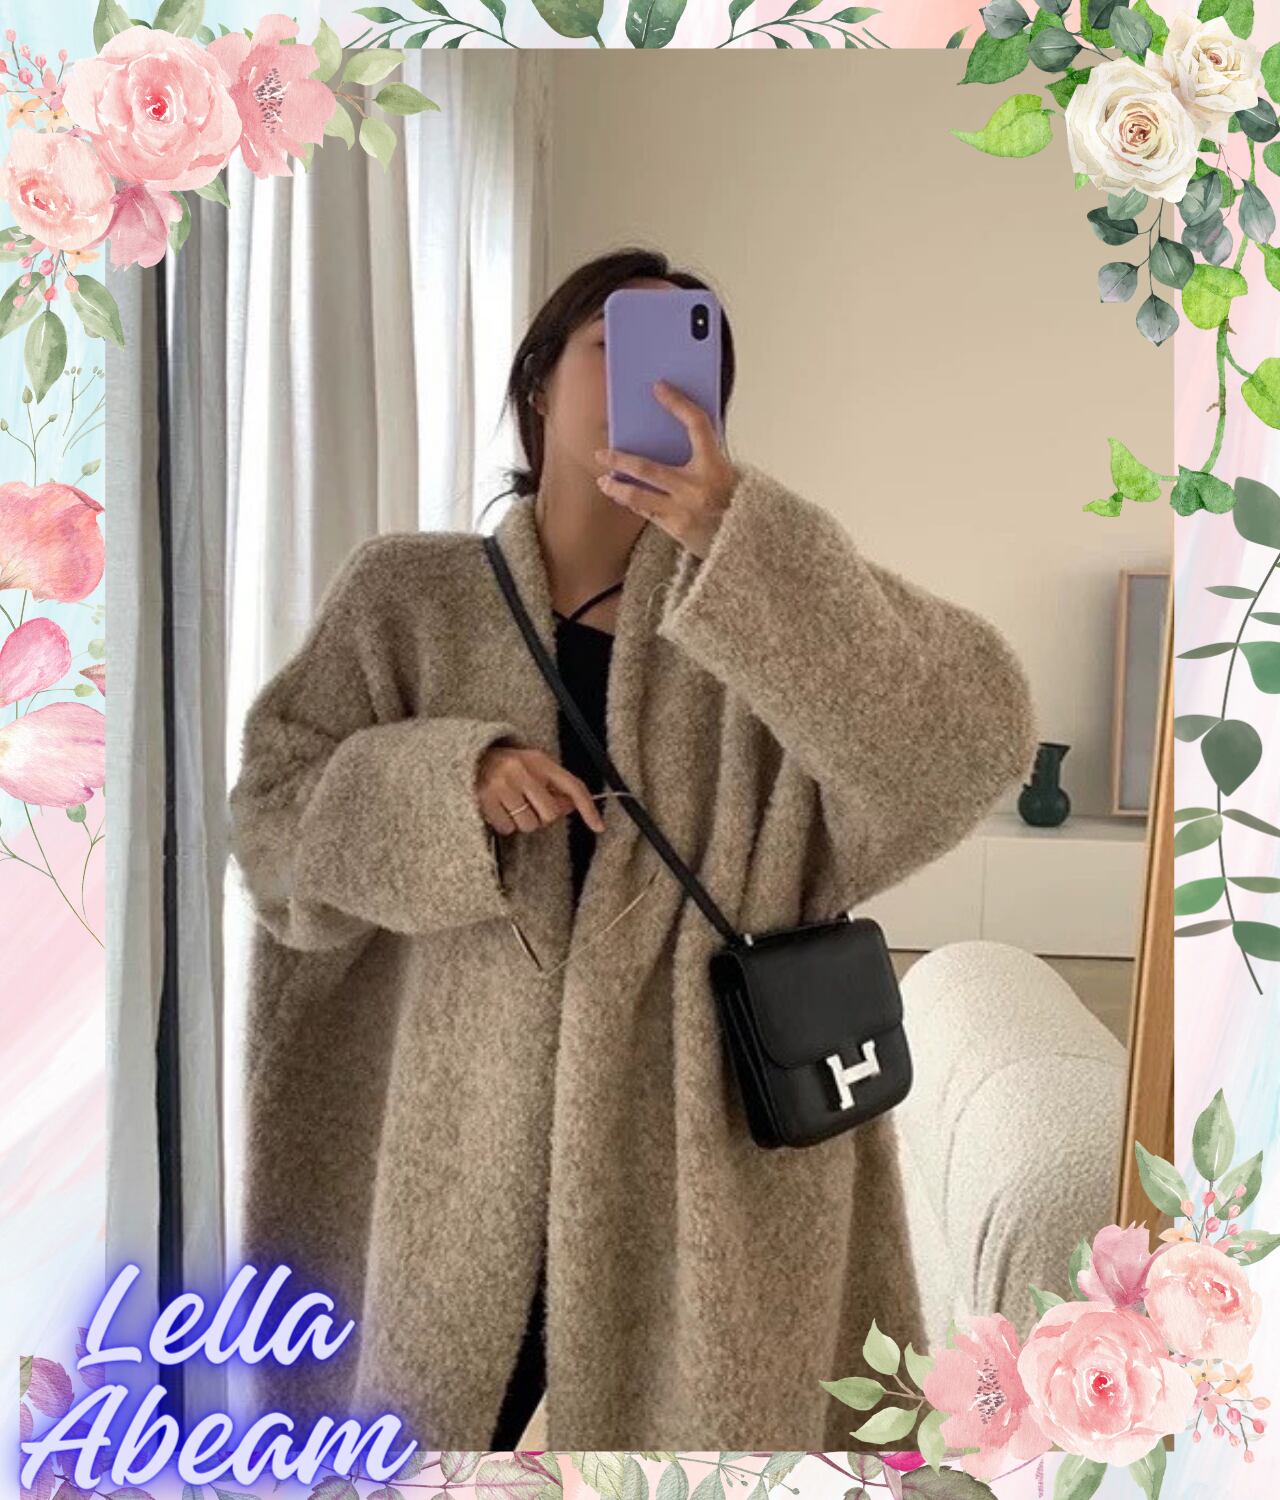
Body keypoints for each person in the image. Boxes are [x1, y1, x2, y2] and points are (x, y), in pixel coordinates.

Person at [227, 247, 1040, 1451]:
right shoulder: (406, 599)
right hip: (451, 1152)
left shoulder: (764, 612)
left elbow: (971, 741)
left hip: (695, 1161)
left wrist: (745, 541)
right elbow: (270, 824)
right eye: (611, 348)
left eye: (687, 358)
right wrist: (448, 782)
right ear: (537, 385)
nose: (650, 381)